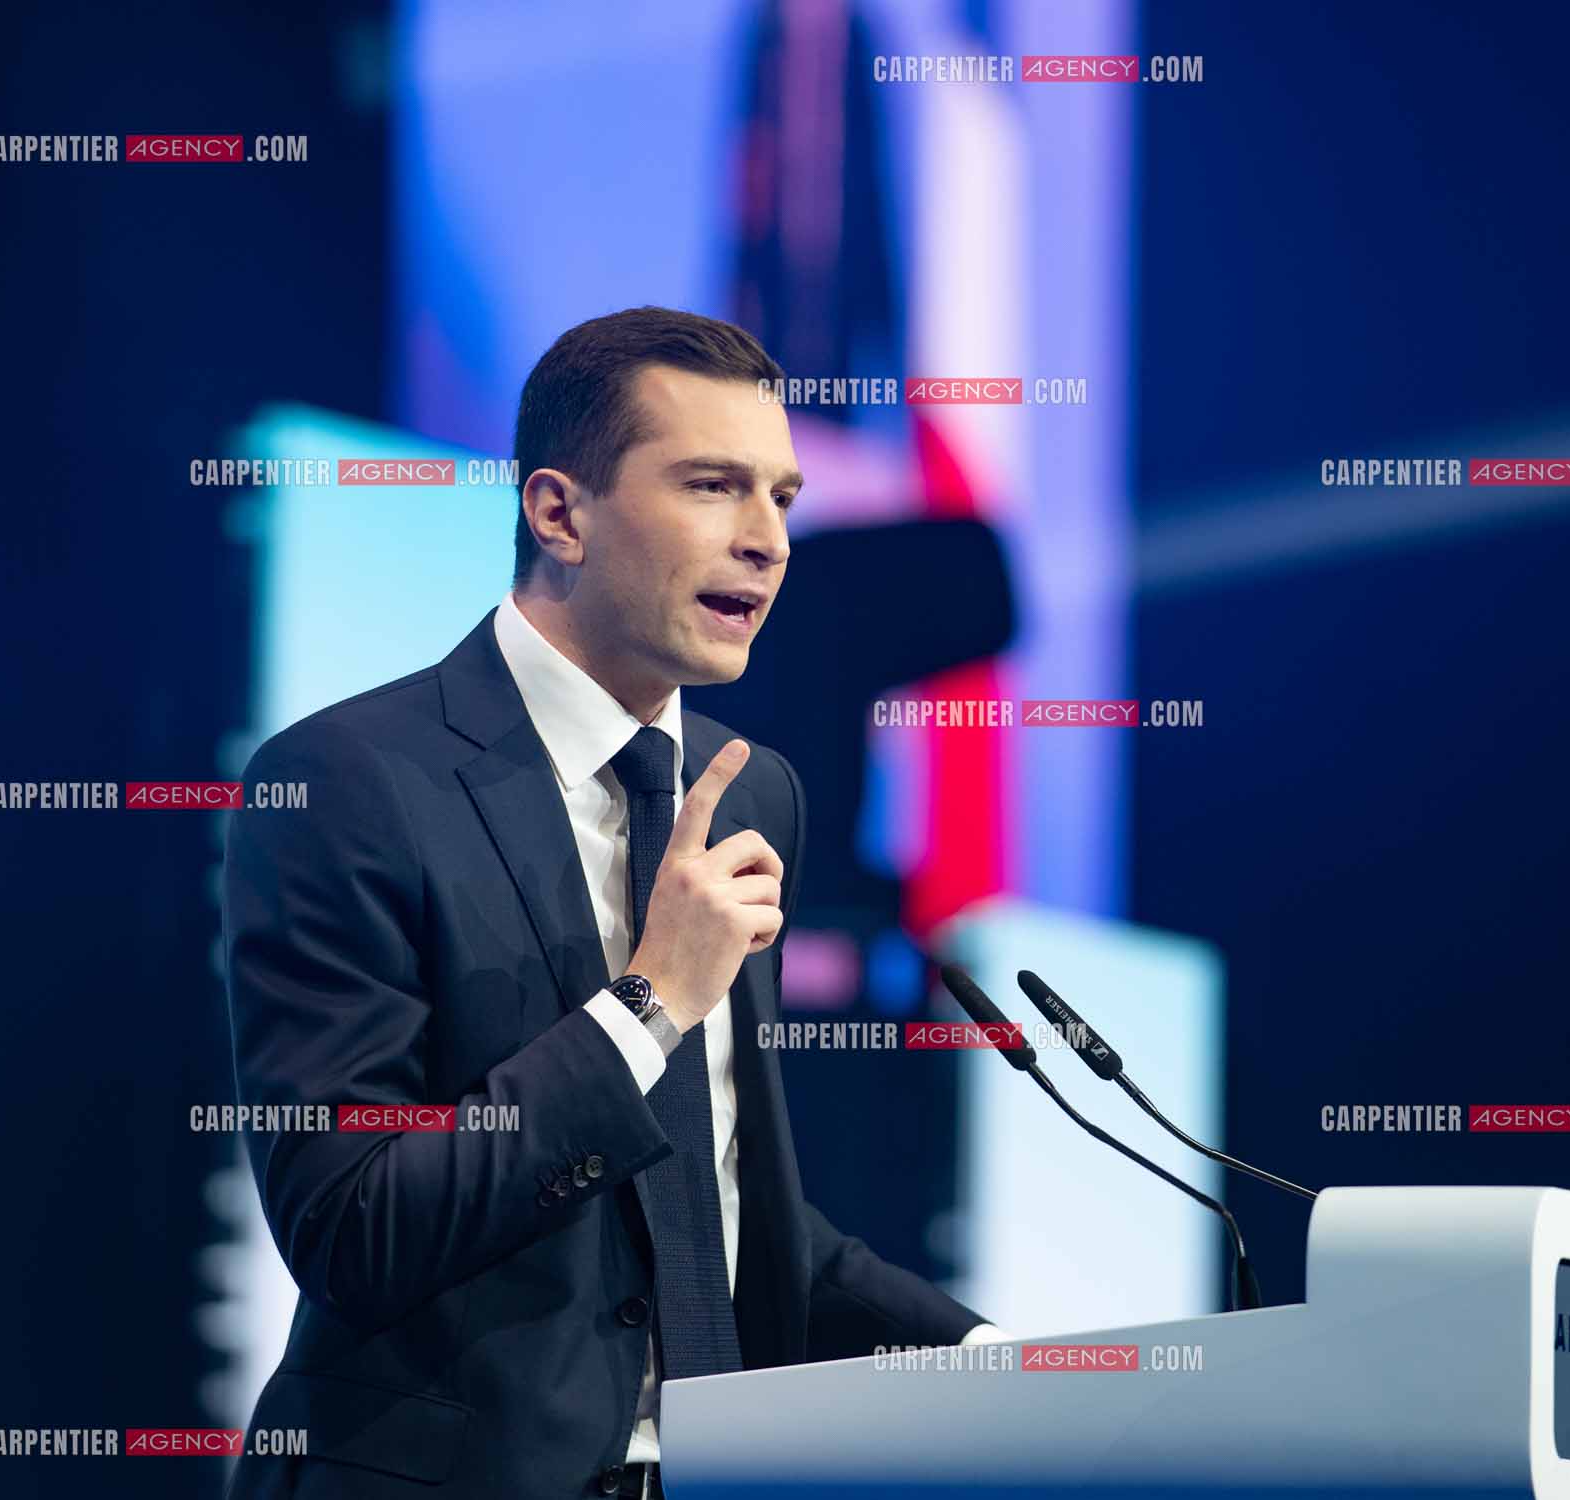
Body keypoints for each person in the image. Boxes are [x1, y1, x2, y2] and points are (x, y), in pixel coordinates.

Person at [223, 306, 997, 1500]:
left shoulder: (755, 794)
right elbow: (354, 1230)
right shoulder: (346, 784)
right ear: (558, 512)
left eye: (781, 498)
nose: (766, 541)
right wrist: (649, 1004)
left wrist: (1006, 1363)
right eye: (712, 486)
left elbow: (731, 1207)